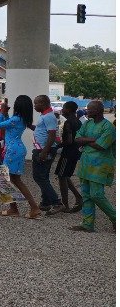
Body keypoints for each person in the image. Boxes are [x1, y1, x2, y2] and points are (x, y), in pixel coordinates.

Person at [69, 101, 116, 233]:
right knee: (86, 195)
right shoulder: (87, 123)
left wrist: (86, 140)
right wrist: (93, 139)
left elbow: (102, 146)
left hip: (100, 166)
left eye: (90, 109)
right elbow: (77, 139)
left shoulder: (109, 128)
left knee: (97, 195)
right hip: (85, 165)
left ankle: (115, 218)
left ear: (98, 111)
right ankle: (87, 224)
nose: (87, 111)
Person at [0, 95, 43, 220]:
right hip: (17, 149)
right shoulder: (21, 119)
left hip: (12, 151)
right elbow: (7, 125)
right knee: (14, 180)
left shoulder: (16, 119)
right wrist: (5, 113)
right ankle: (30, 207)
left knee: (3, 180)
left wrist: (1, 112)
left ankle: (18, 208)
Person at [32, 95, 64, 215]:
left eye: (36, 104)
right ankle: (45, 202)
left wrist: (44, 151)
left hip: (44, 150)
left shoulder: (49, 116)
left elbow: (51, 135)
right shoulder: (45, 115)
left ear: (43, 103)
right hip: (42, 149)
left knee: (39, 177)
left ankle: (56, 202)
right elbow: (42, 130)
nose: (35, 106)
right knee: (43, 176)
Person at [54, 101, 84, 213]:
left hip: (67, 153)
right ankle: (78, 198)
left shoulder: (68, 123)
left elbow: (69, 140)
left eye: (64, 108)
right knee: (65, 176)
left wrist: (57, 145)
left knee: (62, 177)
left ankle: (65, 204)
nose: (62, 110)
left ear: (69, 110)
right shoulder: (78, 122)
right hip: (76, 153)